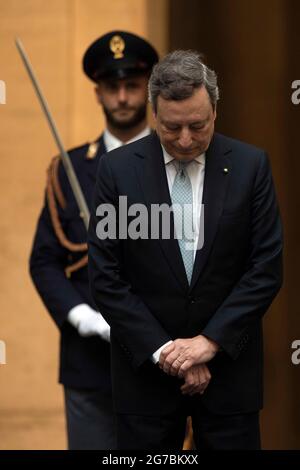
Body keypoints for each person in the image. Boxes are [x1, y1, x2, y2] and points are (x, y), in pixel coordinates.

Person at [88, 50, 283, 450]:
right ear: (154, 115)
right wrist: (166, 353)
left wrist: (209, 343)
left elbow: (264, 268)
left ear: (215, 111)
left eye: (198, 125)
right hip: (144, 379)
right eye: (172, 127)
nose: (185, 140)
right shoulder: (117, 171)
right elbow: (106, 276)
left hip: (230, 376)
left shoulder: (251, 166)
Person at [29, 30, 158, 450]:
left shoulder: (177, 165)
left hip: (161, 359)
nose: (122, 97)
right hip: (90, 364)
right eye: (111, 87)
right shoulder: (68, 170)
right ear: (98, 94)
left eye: (132, 86)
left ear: (149, 90)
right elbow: (44, 261)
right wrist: (81, 316)